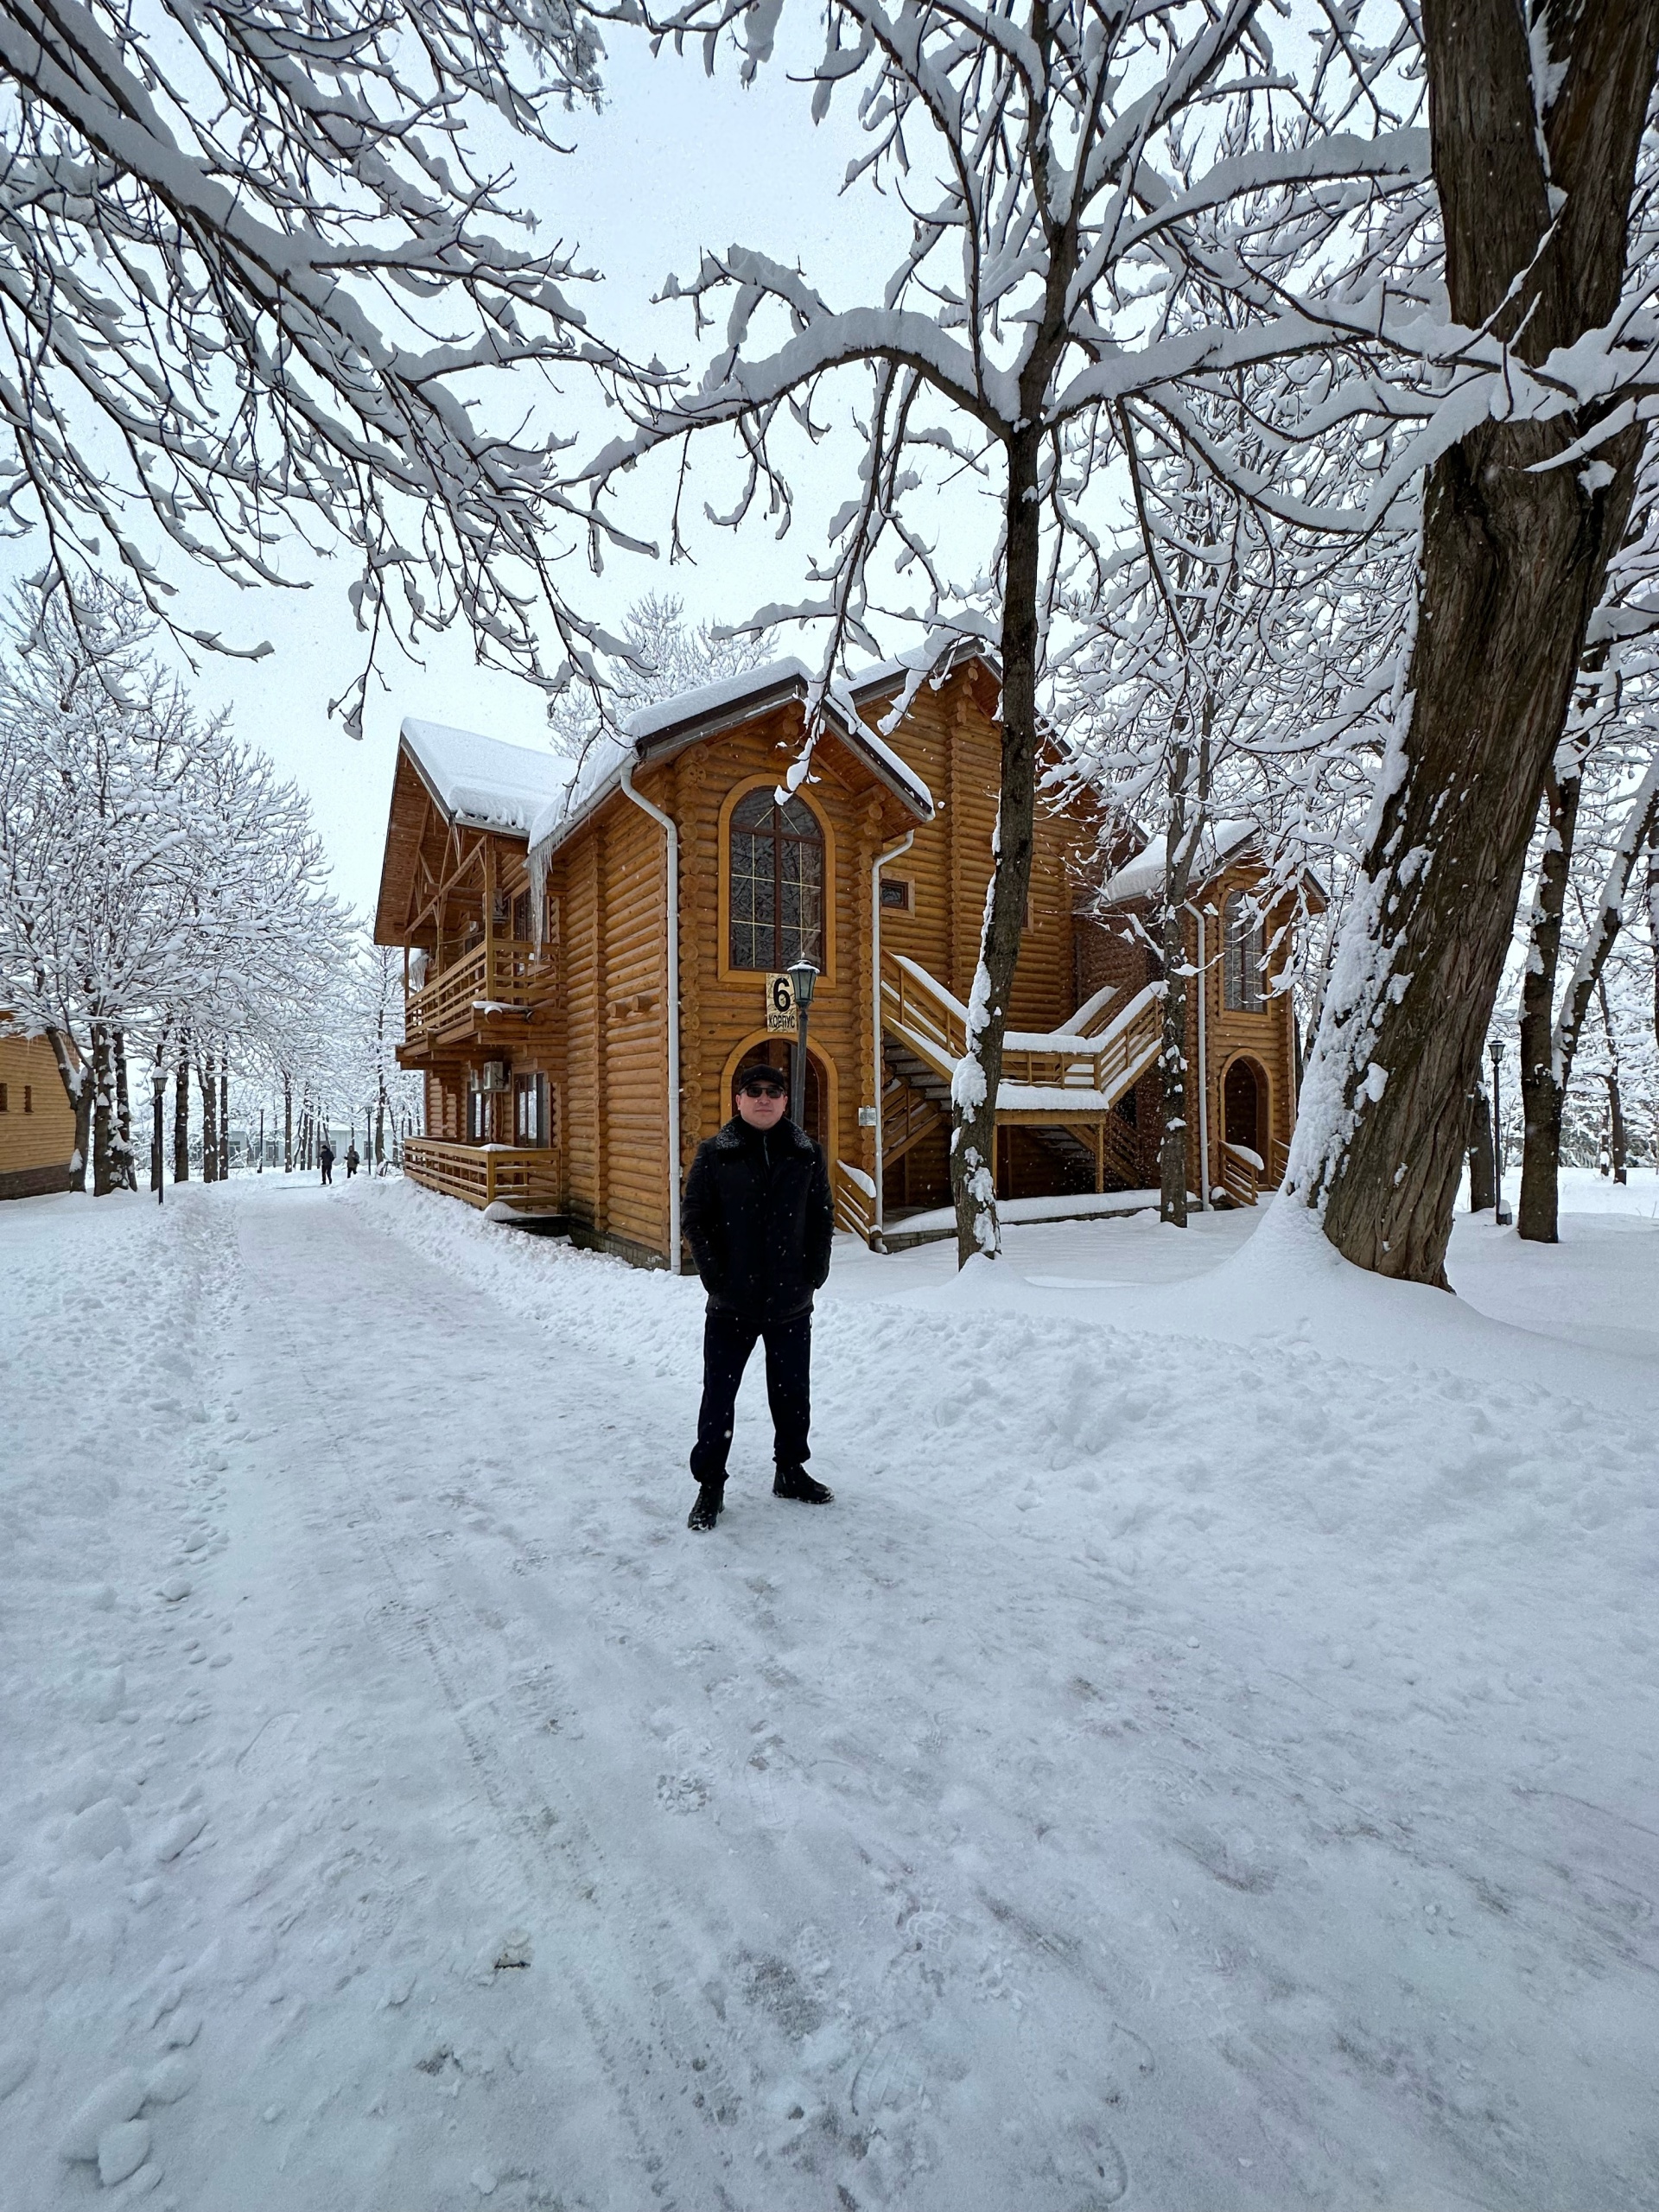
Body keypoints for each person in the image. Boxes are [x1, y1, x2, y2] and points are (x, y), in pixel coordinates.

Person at [681, 1062, 836, 1533]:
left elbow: (822, 1214)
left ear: (786, 1101)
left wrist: (813, 1272)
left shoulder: (806, 1153)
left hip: (791, 1301)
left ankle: (790, 1470)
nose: (764, 1098)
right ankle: (710, 1485)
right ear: (738, 1100)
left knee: (792, 1394)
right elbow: (696, 1219)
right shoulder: (715, 1153)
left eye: (774, 1091)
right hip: (733, 1304)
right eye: (754, 1090)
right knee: (719, 1397)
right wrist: (717, 1277)